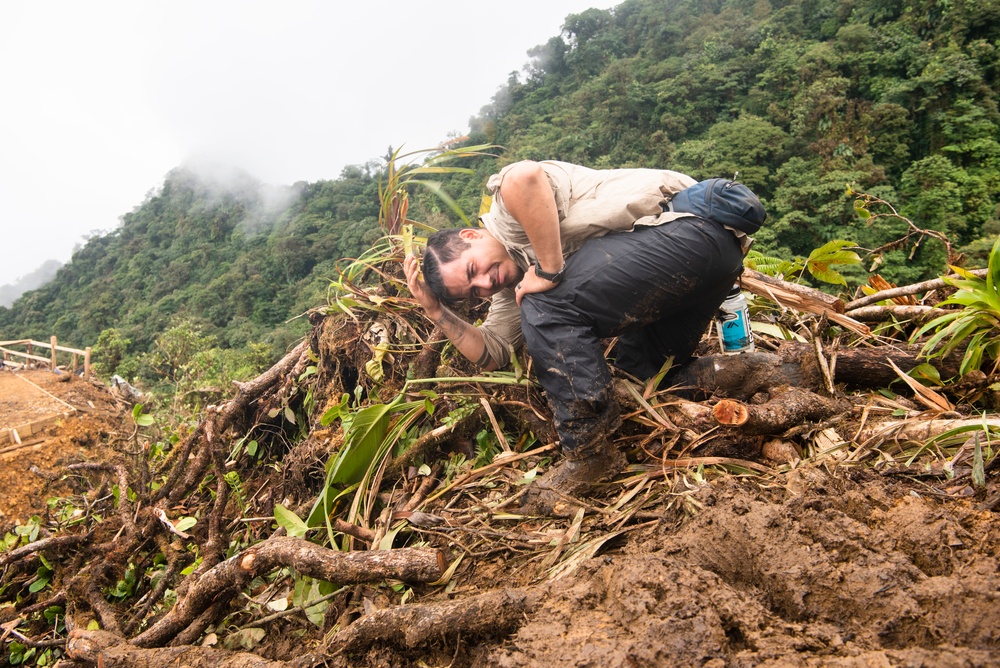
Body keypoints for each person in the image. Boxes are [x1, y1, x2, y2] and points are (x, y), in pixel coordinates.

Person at [403, 160, 763, 513]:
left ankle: (591, 453)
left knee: (543, 302)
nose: (484, 283)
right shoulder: (511, 281)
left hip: (689, 227)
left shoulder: (509, 219)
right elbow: (493, 352)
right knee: (648, 377)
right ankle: (765, 371)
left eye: (472, 270)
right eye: (472, 292)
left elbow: (524, 176)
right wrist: (436, 312)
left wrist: (549, 270)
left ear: (471, 236)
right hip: (716, 261)